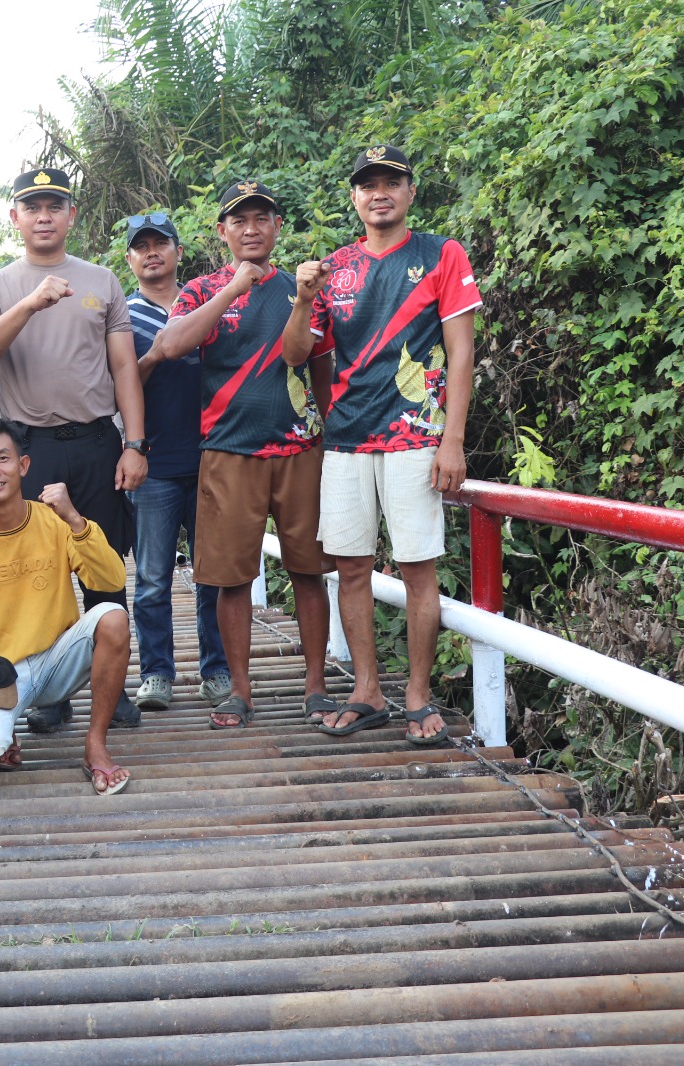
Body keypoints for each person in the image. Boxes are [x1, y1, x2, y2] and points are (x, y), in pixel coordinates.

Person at [281, 146, 482, 745]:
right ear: (354, 198)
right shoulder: (334, 268)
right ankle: (367, 689)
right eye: (368, 184)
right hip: (345, 438)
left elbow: (463, 352)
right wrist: (301, 297)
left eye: (391, 181)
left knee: (419, 568)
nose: (380, 192)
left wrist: (453, 440)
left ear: (410, 192)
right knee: (350, 568)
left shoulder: (441, 254)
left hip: (416, 436)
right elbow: (296, 355)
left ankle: (418, 695)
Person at [0, 167, 147, 729]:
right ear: (15, 218)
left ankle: (110, 690)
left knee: (105, 567)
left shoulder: (103, 280)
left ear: (71, 215)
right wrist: (31, 304)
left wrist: (134, 443)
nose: (43, 215)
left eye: (54, 205)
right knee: (38, 572)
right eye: (32, 206)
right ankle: (51, 693)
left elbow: (123, 365)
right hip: (29, 448)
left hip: (97, 441)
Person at [157, 181, 336, 728]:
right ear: (222, 232)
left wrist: (332, 441)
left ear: (277, 226)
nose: (252, 229)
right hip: (228, 453)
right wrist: (232, 290)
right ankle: (239, 691)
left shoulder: (306, 290)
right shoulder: (201, 290)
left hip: (300, 449)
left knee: (309, 572)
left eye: (262, 218)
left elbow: (315, 366)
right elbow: (171, 346)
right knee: (230, 579)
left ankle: (315, 686)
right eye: (240, 221)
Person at [0, 416, 134, 796]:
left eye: (3, 459)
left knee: (114, 617)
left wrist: (75, 519)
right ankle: (3, 738)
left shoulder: (55, 521)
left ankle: (96, 744)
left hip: (57, 659)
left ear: (23, 466)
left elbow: (111, 580)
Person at [120, 211, 230, 711]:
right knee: (150, 579)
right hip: (156, 463)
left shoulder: (212, 301)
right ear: (129, 259)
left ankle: (217, 669)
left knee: (213, 574)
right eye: (141, 247)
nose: (151, 253)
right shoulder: (122, 317)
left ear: (178, 251)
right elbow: (118, 390)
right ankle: (157, 674)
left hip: (214, 459)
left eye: (160, 243)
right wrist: (158, 353)